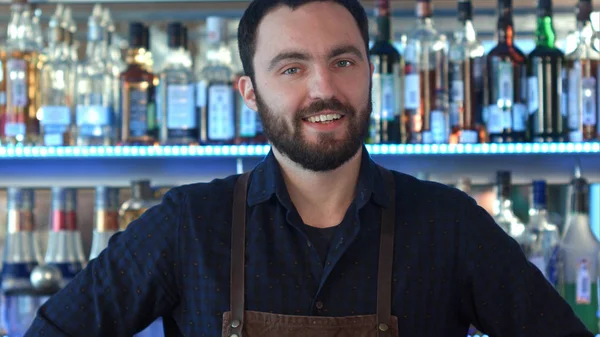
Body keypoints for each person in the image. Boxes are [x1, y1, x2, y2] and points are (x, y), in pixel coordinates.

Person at [24, 0, 593, 336]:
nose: (324, 89)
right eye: (291, 69)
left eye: (342, 62)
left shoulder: (451, 225)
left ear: (371, 74)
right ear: (249, 93)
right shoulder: (188, 225)